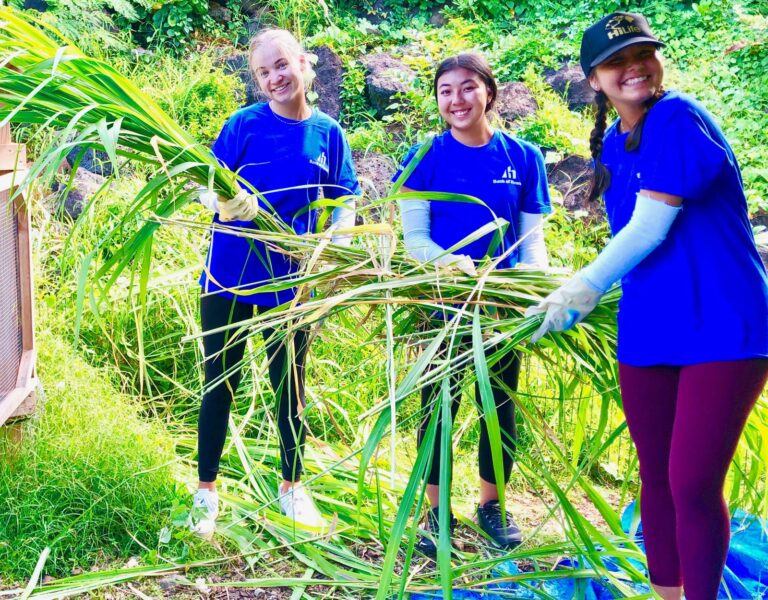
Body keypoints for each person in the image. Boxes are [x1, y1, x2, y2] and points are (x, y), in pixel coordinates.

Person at [527, 12, 768, 599]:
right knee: (655, 480)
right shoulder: (613, 144)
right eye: (615, 62)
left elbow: (649, 228)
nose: (633, 67)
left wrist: (581, 289)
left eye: (642, 54)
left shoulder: (679, 118)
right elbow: (628, 247)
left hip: (723, 327)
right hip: (649, 328)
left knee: (690, 483)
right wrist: (560, 289)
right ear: (594, 80)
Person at [191, 28, 360, 538]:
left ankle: (291, 487)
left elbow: (345, 199)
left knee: (291, 386)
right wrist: (220, 202)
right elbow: (205, 183)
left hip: (292, 283)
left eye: (282, 65)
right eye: (264, 72)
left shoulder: (328, 133)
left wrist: (334, 242)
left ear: (305, 64)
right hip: (228, 277)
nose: (274, 79)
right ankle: (205, 492)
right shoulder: (242, 125)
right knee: (219, 383)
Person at [394, 52, 552, 556]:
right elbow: (414, 239)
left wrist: (528, 288)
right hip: (442, 303)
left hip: (504, 310)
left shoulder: (523, 157)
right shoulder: (425, 157)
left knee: (500, 406)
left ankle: (491, 504)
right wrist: (450, 267)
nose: (456, 100)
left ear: (489, 91)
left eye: (467, 88)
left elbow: (533, 244)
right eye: (445, 91)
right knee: (437, 407)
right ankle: (433, 509)